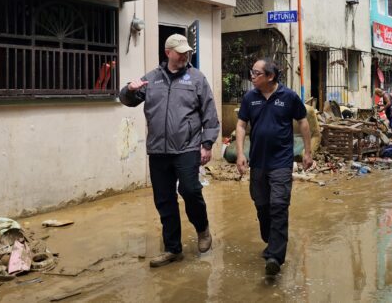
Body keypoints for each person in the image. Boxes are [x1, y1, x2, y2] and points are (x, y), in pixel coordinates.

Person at [120, 34, 220, 268]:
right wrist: (129, 90)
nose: (185, 55)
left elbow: (210, 113)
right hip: (158, 150)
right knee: (164, 200)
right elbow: (128, 100)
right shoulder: (152, 79)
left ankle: (202, 229)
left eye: (187, 52)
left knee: (190, 189)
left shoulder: (196, 78)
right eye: (180, 52)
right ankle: (173, 249)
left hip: (187, 147)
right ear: (168, 53)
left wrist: (207, 144)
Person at [235, 59, 313, 277]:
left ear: (270, 76)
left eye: (256, 73)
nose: (252, 76)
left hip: (281, 162)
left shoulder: (288, 97)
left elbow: (303, 122)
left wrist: (307, 153)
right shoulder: (250, 98)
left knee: (278, 205)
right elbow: (241, 124)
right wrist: (241, 153)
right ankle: (271, 241)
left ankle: (275, 258)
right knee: (262, 205)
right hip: (258, 162)